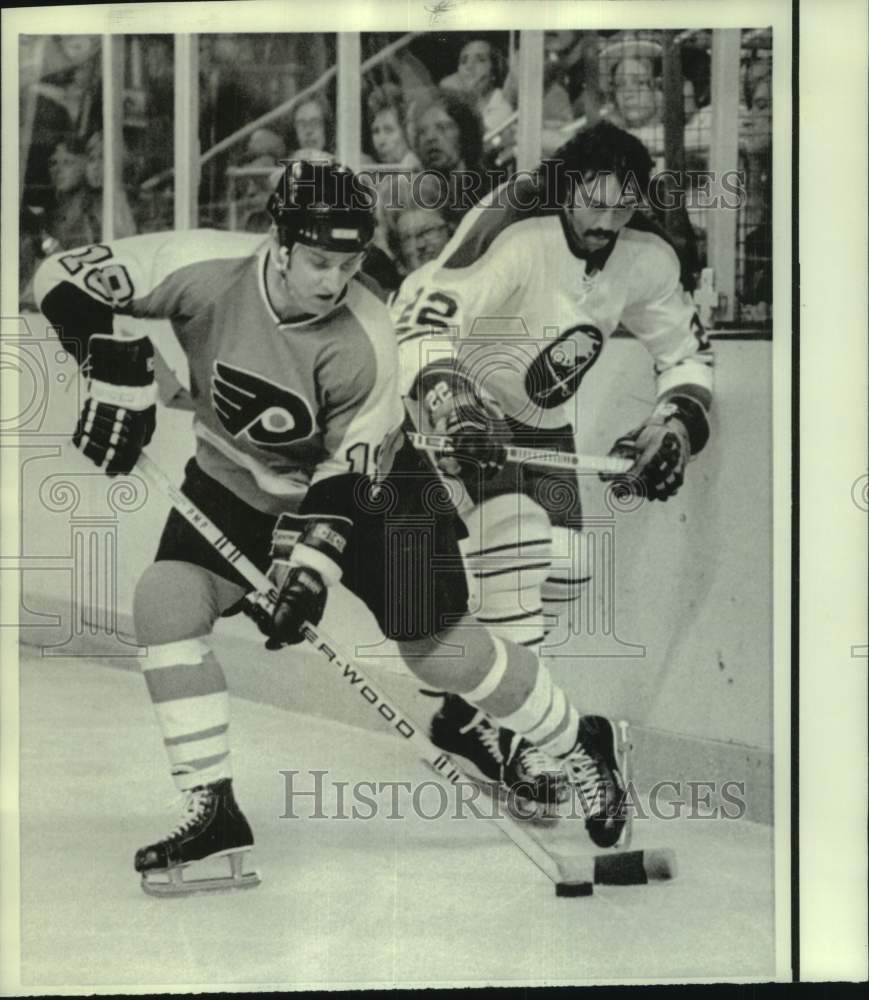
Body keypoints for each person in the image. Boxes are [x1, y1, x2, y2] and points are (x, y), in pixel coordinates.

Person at [34, 160, 627, 897]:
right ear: (278, 243)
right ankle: (213, 809)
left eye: (347, 264)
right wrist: (108, 359)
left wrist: (305, 576)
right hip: (234, 478)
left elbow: (343, 480)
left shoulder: (369, 337)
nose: (330, 280)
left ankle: (578, 740)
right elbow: (58, 272)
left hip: (379, 492)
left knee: (441, 655)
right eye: (317, 260)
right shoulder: (198, 266)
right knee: (164, 603)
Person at [390, 120, 714, 779]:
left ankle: (467, 709)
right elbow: (419, 322)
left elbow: (684, 354)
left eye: (621, 206)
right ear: (565, 187)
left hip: (541, 419)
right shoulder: (511, 224)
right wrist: (451, 406)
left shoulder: (645, 254)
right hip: (463, 408)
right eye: (594, 202)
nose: (606, 220)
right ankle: (527, 743)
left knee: (565, 569)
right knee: (516, 559)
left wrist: (674, 424)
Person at [440, 38, 514, 136]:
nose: (469, 66)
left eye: (480, 60)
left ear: (494, 70)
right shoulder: (460, 104)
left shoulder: (501, 107)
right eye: (464, 61)